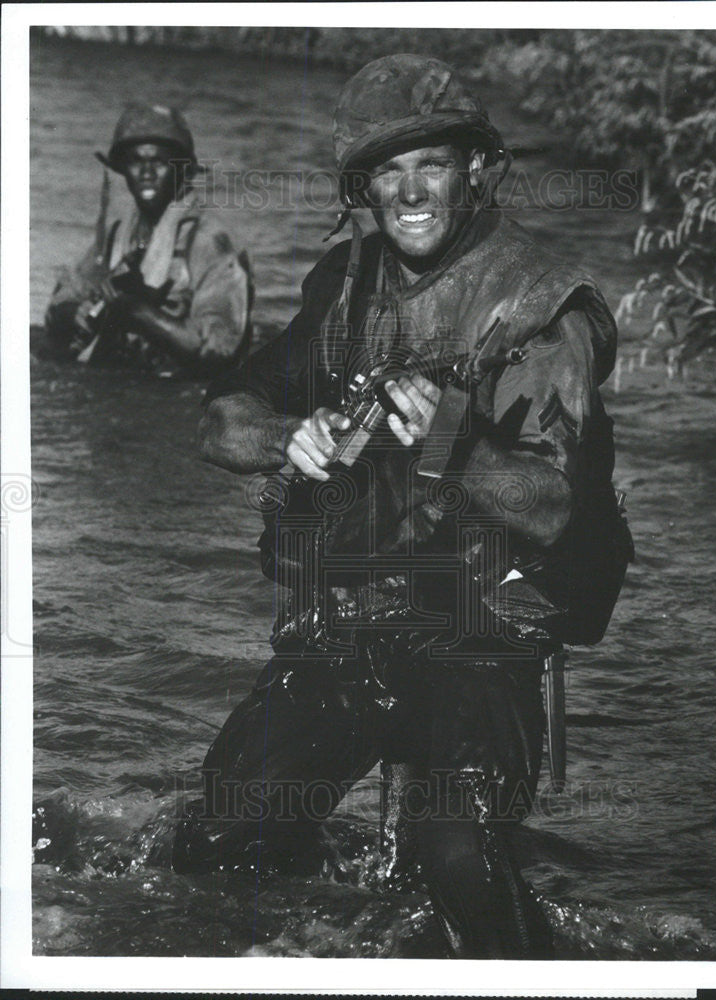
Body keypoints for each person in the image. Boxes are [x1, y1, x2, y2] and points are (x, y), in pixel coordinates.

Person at [172, 55, 632, 958]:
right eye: (388, 169)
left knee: (453, 857)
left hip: (480, 631)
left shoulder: (544, 307)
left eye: (432, 163)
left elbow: (550, 509)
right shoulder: (347, 280)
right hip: (348, 622)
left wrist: (447, 443)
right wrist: (286, 436)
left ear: (476, 170)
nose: (410, 189)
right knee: (221, 834)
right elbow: (221, 421)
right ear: (362, 187)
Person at [42, 103, 251, 376]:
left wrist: (137, 312)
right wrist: (76, 312)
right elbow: (61, 301)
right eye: (136, 161)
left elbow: (219, 350)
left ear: (182, 170)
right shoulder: (119, 235)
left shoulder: (207, 241)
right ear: (123, 169)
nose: (147, 172)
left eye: (160, 162)